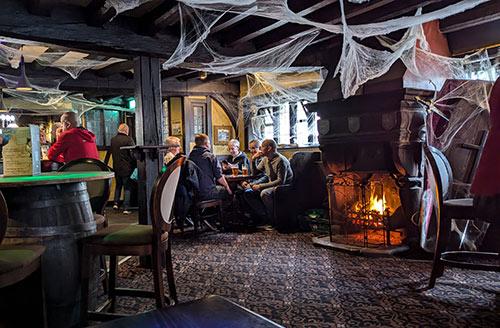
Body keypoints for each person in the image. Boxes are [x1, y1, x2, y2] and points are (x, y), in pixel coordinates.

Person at [242, 139, 293, 224]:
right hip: (272, 185)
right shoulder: (265, 159)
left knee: (264, 193)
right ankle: (265, 217)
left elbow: (280, 181)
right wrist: (253, 160)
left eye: (261, 147)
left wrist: (260, 186)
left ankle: (274, 220)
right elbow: (255, 173)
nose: (260, 150)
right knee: (248, 192)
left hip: (283, 187)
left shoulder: (280, 160)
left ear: (269, 148)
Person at [188, 133, 232, 200]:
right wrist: (228, 188)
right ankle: (222, 210)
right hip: (207, 192)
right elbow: (219, 177)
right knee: (226, 190)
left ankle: (210, 210)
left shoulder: (190, 156)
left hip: (193, 193)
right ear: (206, 144)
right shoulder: (211, 156)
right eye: (209, 143)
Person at [110, 123, 136, 214]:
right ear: (126, 130)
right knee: (127, 187)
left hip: (116, 167)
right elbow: (133, 154)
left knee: (118, 185)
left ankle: (116, 203)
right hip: (127, 167)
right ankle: (126, 207)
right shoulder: (129, 139)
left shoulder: (113, 140)